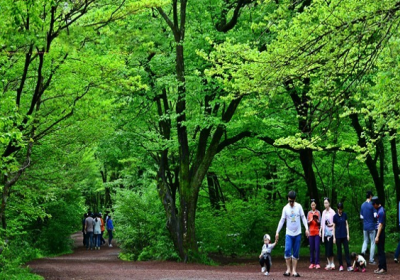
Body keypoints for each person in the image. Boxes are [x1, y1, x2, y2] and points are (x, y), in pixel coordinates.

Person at [275, 191, 309, 277]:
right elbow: (282, 220)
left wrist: (306, 228)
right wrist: (277, 232)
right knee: (287, 250)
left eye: (292, 201)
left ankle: (294, 270)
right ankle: (288, 270)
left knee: (296, 252)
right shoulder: (285, 208)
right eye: (290, 201)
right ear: (288, 199)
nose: (291, 203)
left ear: (295, 199)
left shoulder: (299, 207)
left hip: (298, 233)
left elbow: (303, 217)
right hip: (289, 233)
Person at [333, 202, 352, 272]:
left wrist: (348, 234)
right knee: (339, 251)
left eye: (341, 209)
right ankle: (341, 265)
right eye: (339, 209)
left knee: (346, 250)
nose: (340, 210)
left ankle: (349, 265)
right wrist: (334, 237)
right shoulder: (335, 216)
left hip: (344, 235)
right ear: (337, 209)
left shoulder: (345, 215)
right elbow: (334, 227)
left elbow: (346, 224)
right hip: (338, 235)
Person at [360, 190, 377, 264]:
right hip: (372, 226)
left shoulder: (362, 205)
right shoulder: (372, 205)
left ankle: (362, 256)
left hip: (365, 226)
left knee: (365, 241)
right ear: (370, 196)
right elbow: (375, 215)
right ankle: (371, 259)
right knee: (373, 242)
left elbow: (361, 216)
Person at [320, 197, 336, 270]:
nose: (325, 204)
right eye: (324, 203)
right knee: (326, 249)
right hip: (325, 233)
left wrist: (330, 225)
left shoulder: (332, 212)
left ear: (329, 203)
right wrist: (320, 231)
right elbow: (322, 223)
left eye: (326, 203)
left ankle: (332, 262)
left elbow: (335, 222)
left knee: (330, 248)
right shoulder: (323, 212)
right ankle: (328, 263)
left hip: (331, 232)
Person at [372, 197, 387, 274]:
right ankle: (380, 266)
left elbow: (380, 225)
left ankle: (383, 268)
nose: (373, 206)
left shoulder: (381, 211)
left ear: (376, 204)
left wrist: (377, 236)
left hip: (380, 233)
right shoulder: (379, 210)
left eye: (374, 204)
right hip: (378, 232)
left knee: (381, 251)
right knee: (379, 251)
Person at [307, 199, 321, 269]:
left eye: (314, 205)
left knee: (317, 248)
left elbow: (320, 222)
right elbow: (307, 222)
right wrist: (311, 220)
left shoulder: (318, 212)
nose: (313, 206)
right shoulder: (309, 213)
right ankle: (312, 262)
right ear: (310, 205)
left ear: (316, 205)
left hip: (317, 232)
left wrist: (317, 220)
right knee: (311, 248)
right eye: (312, 205)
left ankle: (317, 263)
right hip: (311, 232)